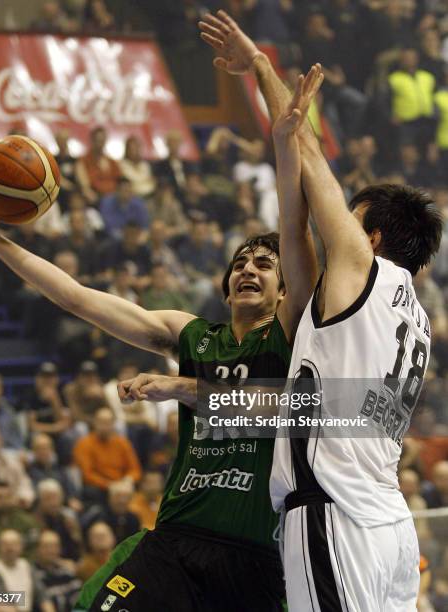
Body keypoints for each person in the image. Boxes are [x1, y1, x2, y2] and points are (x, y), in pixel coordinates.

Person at [0, 47, 318, 611]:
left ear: (284, 291)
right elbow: (78, 299)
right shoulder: (193, 335)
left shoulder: (294, 335)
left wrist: (284, 145)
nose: (249, 268)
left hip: (256, 554)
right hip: (175, 542)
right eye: (240, 263)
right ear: (226, 287)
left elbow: (295, 232)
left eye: (264, 265)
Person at [200, 9, 442, 612]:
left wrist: (259, 64)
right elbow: (294, 226)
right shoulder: (414, 316)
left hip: (336, 517)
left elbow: (311, 159)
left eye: (352, 222)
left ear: (374, 239)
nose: (340, 227)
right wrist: (285, 146)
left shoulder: (363, 266)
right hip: (388, 520)